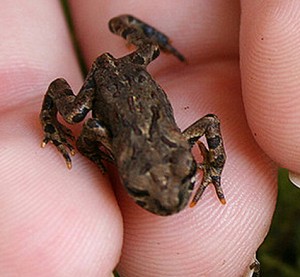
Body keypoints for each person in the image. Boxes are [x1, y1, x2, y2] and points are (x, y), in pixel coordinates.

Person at [0, 1, 298, 276]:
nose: (172, 200)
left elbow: (210, 122)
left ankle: (129, 25)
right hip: (102, 84)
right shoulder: (120, 140)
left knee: (150, 51)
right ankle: (49, 123)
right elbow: (91, 131)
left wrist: (215, 167)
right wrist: (83, 147)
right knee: (76, 114)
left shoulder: (164, 140)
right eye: (140, 192)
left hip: (131, 77)